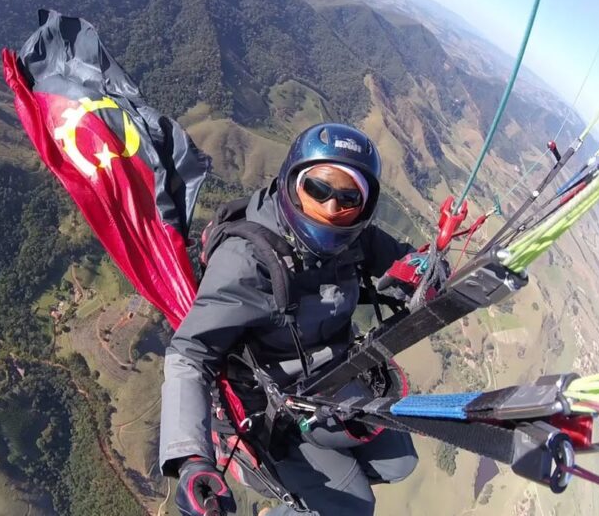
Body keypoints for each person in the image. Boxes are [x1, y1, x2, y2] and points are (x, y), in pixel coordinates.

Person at [160, 123, 419, 516]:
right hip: (273, 411)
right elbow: (191, 354)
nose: (332, 207)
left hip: (332, 384)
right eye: (318, 189)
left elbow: (404, 263)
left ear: (362, 208)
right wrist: (190, 459)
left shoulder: (352, 236)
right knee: (353, 508)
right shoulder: (246, 261)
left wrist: (426, 272)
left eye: (348, 198)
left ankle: (313, 492)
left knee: (400, 461)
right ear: (292, 182)